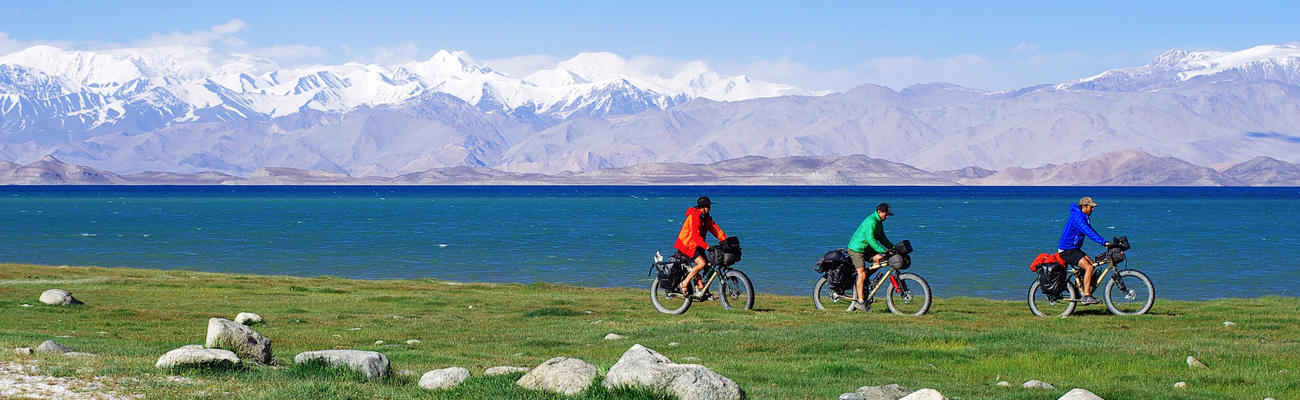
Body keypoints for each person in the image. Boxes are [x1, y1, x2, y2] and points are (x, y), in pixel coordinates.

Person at [1058, 196, 1111, 305]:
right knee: (1089, 267)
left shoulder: (1082, 216)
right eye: (1091, 207)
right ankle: (1086, 296)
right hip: (1067, 250)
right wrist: (1103, 242)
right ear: (1084, 206)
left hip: (1074, 249)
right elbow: (1088, 231)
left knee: (1092, 263)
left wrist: (1104, 241)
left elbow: (1091, 230)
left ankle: (1082, 288)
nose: (1093, 209)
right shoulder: (1078, 218)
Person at [673, 196, 727, 298]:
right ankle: (684, 283)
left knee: (709, 265)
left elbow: (716, 229)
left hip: (697, 244)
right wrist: (706, 246)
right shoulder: (694, 216)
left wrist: (725, 241)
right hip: (687, 244)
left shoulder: (706, 217)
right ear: (702, 207)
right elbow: (694, 236)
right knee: (702, 263)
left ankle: (702, 289)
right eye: (708, 207)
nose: (709, 208)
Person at [845, 203, 894, 312]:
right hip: (856, 249)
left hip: (867, 249)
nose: (887, 217)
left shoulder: (879, 222)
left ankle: (864, 279)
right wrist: (882, 250)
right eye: (886, 214)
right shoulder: (871, 221)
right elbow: (871, 239)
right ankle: (861, 301)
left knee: (880, 259)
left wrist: (893, 248)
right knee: (861, 273)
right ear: (879, 212)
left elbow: (882, 238)